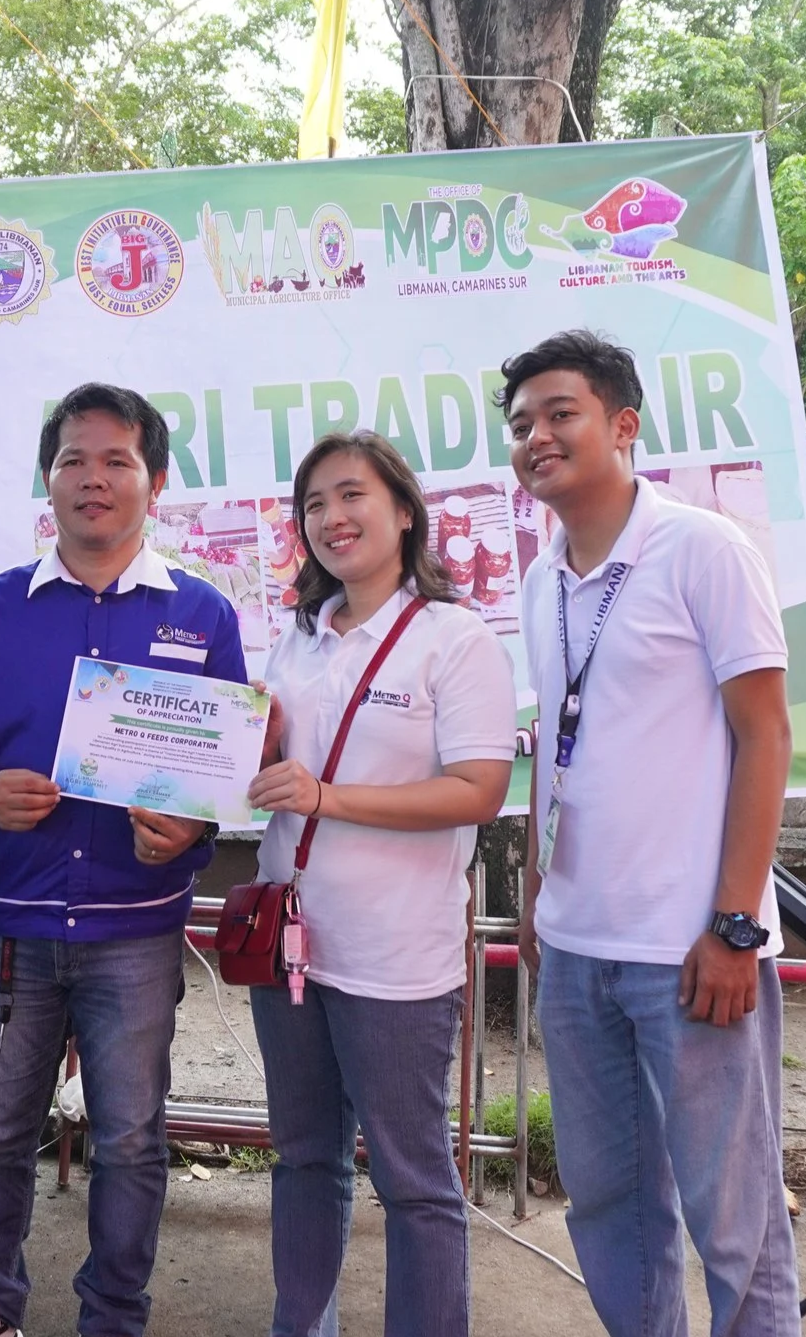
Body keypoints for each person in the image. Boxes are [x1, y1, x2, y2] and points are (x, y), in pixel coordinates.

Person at [502, 330, 800, 1337]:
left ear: (623, 425)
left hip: (690, 951)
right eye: (521, 423)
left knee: (735, 1222)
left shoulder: (703, 548)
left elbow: (767, 735)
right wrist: (542, 891)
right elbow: (560, 747)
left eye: (559, 413)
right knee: (609, 1206)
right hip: (578, 946)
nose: (537, 436)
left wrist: (735, 925)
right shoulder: (543, 577)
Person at [0, 383, 247, 1337]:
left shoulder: (202, 612)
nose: (93, 478)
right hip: (13, 923)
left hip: (135, 929)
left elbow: (222, 768)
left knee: (131, 1139)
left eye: (116, 460)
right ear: (48, 480)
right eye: (74, 460)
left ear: (153, 482)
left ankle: (114, 1315)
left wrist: (190, 827)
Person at [245, 431, 514, 1337]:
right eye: (313, 504)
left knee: (413, 1180)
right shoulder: (297, 638)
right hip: (290, 949)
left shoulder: (454, 637)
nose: (331, 518)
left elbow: (479, 790)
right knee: (304, 1161)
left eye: (351, 496)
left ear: (404, 511)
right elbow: (273, 767)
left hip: (396, 958)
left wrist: (327, 795)